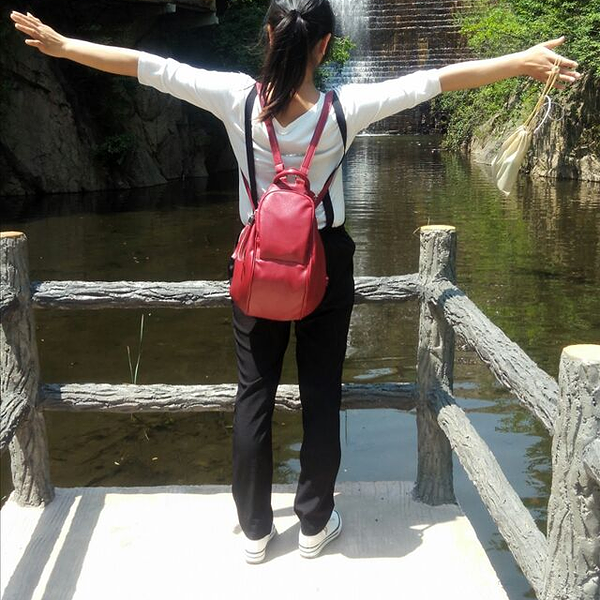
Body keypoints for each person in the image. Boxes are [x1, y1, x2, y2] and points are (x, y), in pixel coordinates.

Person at [10, 0, 581, 564]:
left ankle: (255, 530)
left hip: (258, 259)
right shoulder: (345, 108)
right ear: (324, 45)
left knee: (254, 392)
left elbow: (147, 66)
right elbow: (435, 81)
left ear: (269, 35)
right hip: (325, 260)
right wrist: (520, 61)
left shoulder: (234, 98)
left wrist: (63, 46)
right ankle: (314, 522)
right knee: (322, 391)